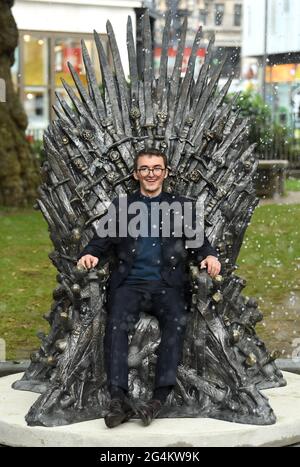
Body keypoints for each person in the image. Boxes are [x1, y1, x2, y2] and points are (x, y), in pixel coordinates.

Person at [77, 148, 221, 428]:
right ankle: (118, 399)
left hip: (167, 286)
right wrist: (90, 253)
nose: (151, 174)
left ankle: (158, 399)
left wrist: (210, 256)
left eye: (157, 168)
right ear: (136, 174)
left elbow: (199, 244)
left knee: (176, 323)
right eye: (145, 168)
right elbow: (99, 241)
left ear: (165, 173)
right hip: (129, 284)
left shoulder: (180, 208)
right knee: (116, 323)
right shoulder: (122, 207)